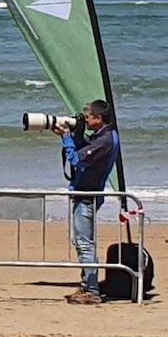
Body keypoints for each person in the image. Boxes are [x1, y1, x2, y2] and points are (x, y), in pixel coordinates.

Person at [54, 99, 121, 305]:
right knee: (82, 242)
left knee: (85, 244)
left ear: (98, 119)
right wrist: (77, 135)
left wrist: (66, 137)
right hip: (88, 194)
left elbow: (77, 160)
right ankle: (87, 284)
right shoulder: (106, 136)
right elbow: (84, 152)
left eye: (88, 116)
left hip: (87, 196)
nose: (86, 119)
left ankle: (92, 290)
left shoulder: (104, 141)